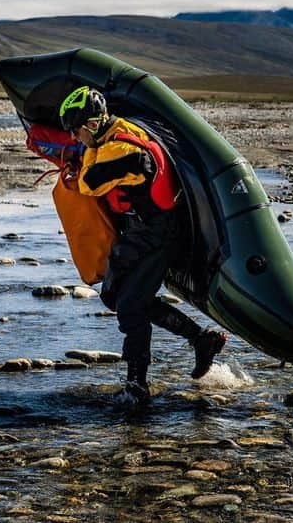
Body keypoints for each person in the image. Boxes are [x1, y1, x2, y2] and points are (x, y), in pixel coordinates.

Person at [58, 85, 227, 406]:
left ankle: (137, 384)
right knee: (112, 296)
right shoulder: (118, 130)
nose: (75, 139)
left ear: (93, 125)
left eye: (77, 131)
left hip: (158, 233)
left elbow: (89, 184)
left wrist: (87, 155)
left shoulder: (121, 150)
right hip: (142, 231)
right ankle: (201, 339)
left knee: (131, 306)